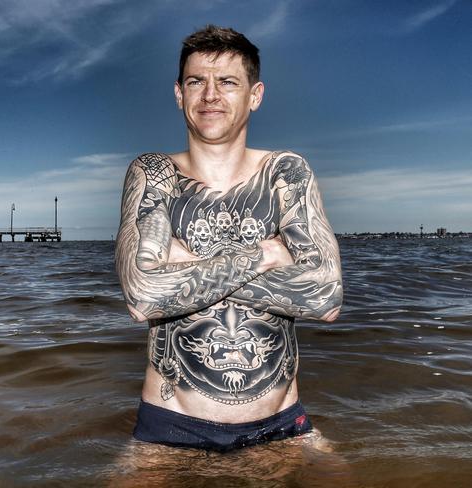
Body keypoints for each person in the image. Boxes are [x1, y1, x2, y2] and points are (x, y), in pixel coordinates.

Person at [115, 25, 343, 452]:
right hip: (168, 429)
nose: (210, 96)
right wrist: (265, 253)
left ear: (255, 95)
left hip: (284, 426)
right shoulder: (154, 174)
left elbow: (327, 298)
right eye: (196, 81)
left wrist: (183, 266)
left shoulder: (285, 173)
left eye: (227, 82)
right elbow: (142, 298)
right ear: (179, 94)